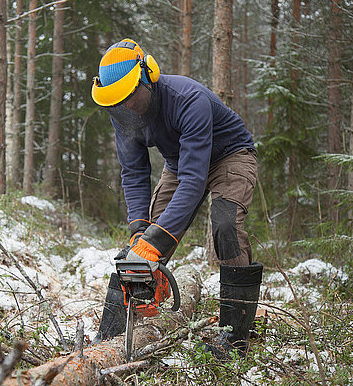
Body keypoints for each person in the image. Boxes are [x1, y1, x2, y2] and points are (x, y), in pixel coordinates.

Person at [91, 38, 263, 360]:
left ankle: (234, 338)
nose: (124, 106)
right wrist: (140, 230)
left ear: (148, 77)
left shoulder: (187, 98)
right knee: (142, 241)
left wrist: (155, 241)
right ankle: (112, 335)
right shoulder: (121, 115)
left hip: (231, 155)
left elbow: (194, 182)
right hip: (180, 162)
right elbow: (134, 173)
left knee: (225, 225)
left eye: (129, 97)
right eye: (116, 102)